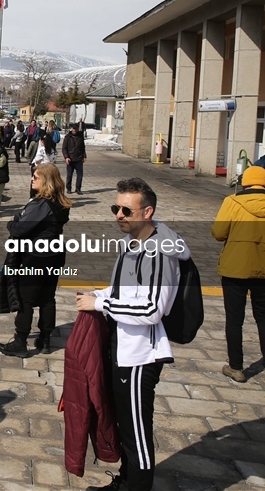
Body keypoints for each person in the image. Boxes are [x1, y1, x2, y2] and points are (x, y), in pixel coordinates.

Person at [76, 177, 184, 491]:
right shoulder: (132, 243)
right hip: (122, 346)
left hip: (140, 355)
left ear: (147, 211)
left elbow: (152, 309)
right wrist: (100, 294)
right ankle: (125, 481)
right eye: (116, 208)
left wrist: (101, 303)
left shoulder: (160, 252)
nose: (119, 215)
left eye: (126, 210)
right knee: (125, 425)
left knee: (137, 433)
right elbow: (125, 291)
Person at [211, 166, 265, 387]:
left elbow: (218, 233)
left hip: (235, 268)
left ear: (245, 182)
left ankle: (236, 367)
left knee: (234, 318)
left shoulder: (233, 202)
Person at [0, 163, 72, 357]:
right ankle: (45, 339)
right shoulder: (61, 202)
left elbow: (19, 228)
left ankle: (20, 342)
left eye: (36, 177)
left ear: (46, 181)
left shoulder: (41, 204)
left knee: (26, 300)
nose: (32, 179)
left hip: (36, 257)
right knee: (48, 298)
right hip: (55, 255)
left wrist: (12, 221)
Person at [62, 123, 87, 195]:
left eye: (76, 128)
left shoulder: (80, 137)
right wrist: (66, 157)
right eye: (73, 128)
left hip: (79, 158)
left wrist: (84, 156)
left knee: (80, 175)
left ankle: (78, 188)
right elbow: (64, 148)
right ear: (71, 129)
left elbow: (83, 148)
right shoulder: (67, 137)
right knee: (69, 175)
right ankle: (69, 188)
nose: (74, 130)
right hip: (70, 159)